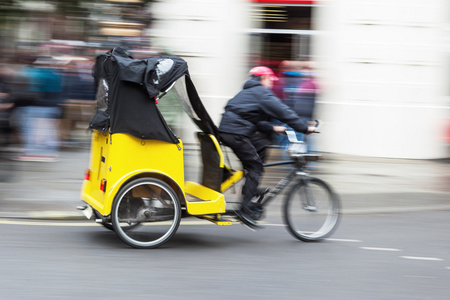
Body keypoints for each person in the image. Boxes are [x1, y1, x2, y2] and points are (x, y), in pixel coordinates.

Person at [218, 66, 316, 227]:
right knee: (255, 166)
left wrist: (273, 128)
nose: (271, 83)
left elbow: (251, 119)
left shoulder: (248, 92)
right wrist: (304, 128)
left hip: (231, 131)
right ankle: (244, 210)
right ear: (263, 78)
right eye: (270, 79)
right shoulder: (261, 93)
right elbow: (284, 112)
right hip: (236, 133)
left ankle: (251, 186)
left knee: (261, 146)